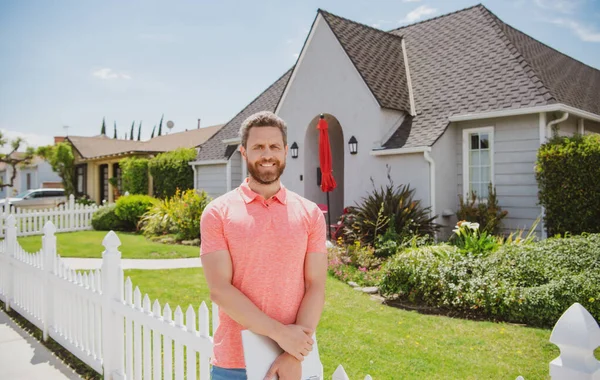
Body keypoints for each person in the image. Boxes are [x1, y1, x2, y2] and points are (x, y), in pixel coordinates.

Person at [200, 111, 328, 380]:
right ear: (244, 152)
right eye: (258, 147)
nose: (267, 154)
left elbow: (315, 284)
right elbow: (220, 291)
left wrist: (293, 353)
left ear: (285, 151)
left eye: (274, 146)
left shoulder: (310, 213)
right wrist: (282, 336)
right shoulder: (218, 212)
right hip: (234, 365)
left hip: (296, 363)